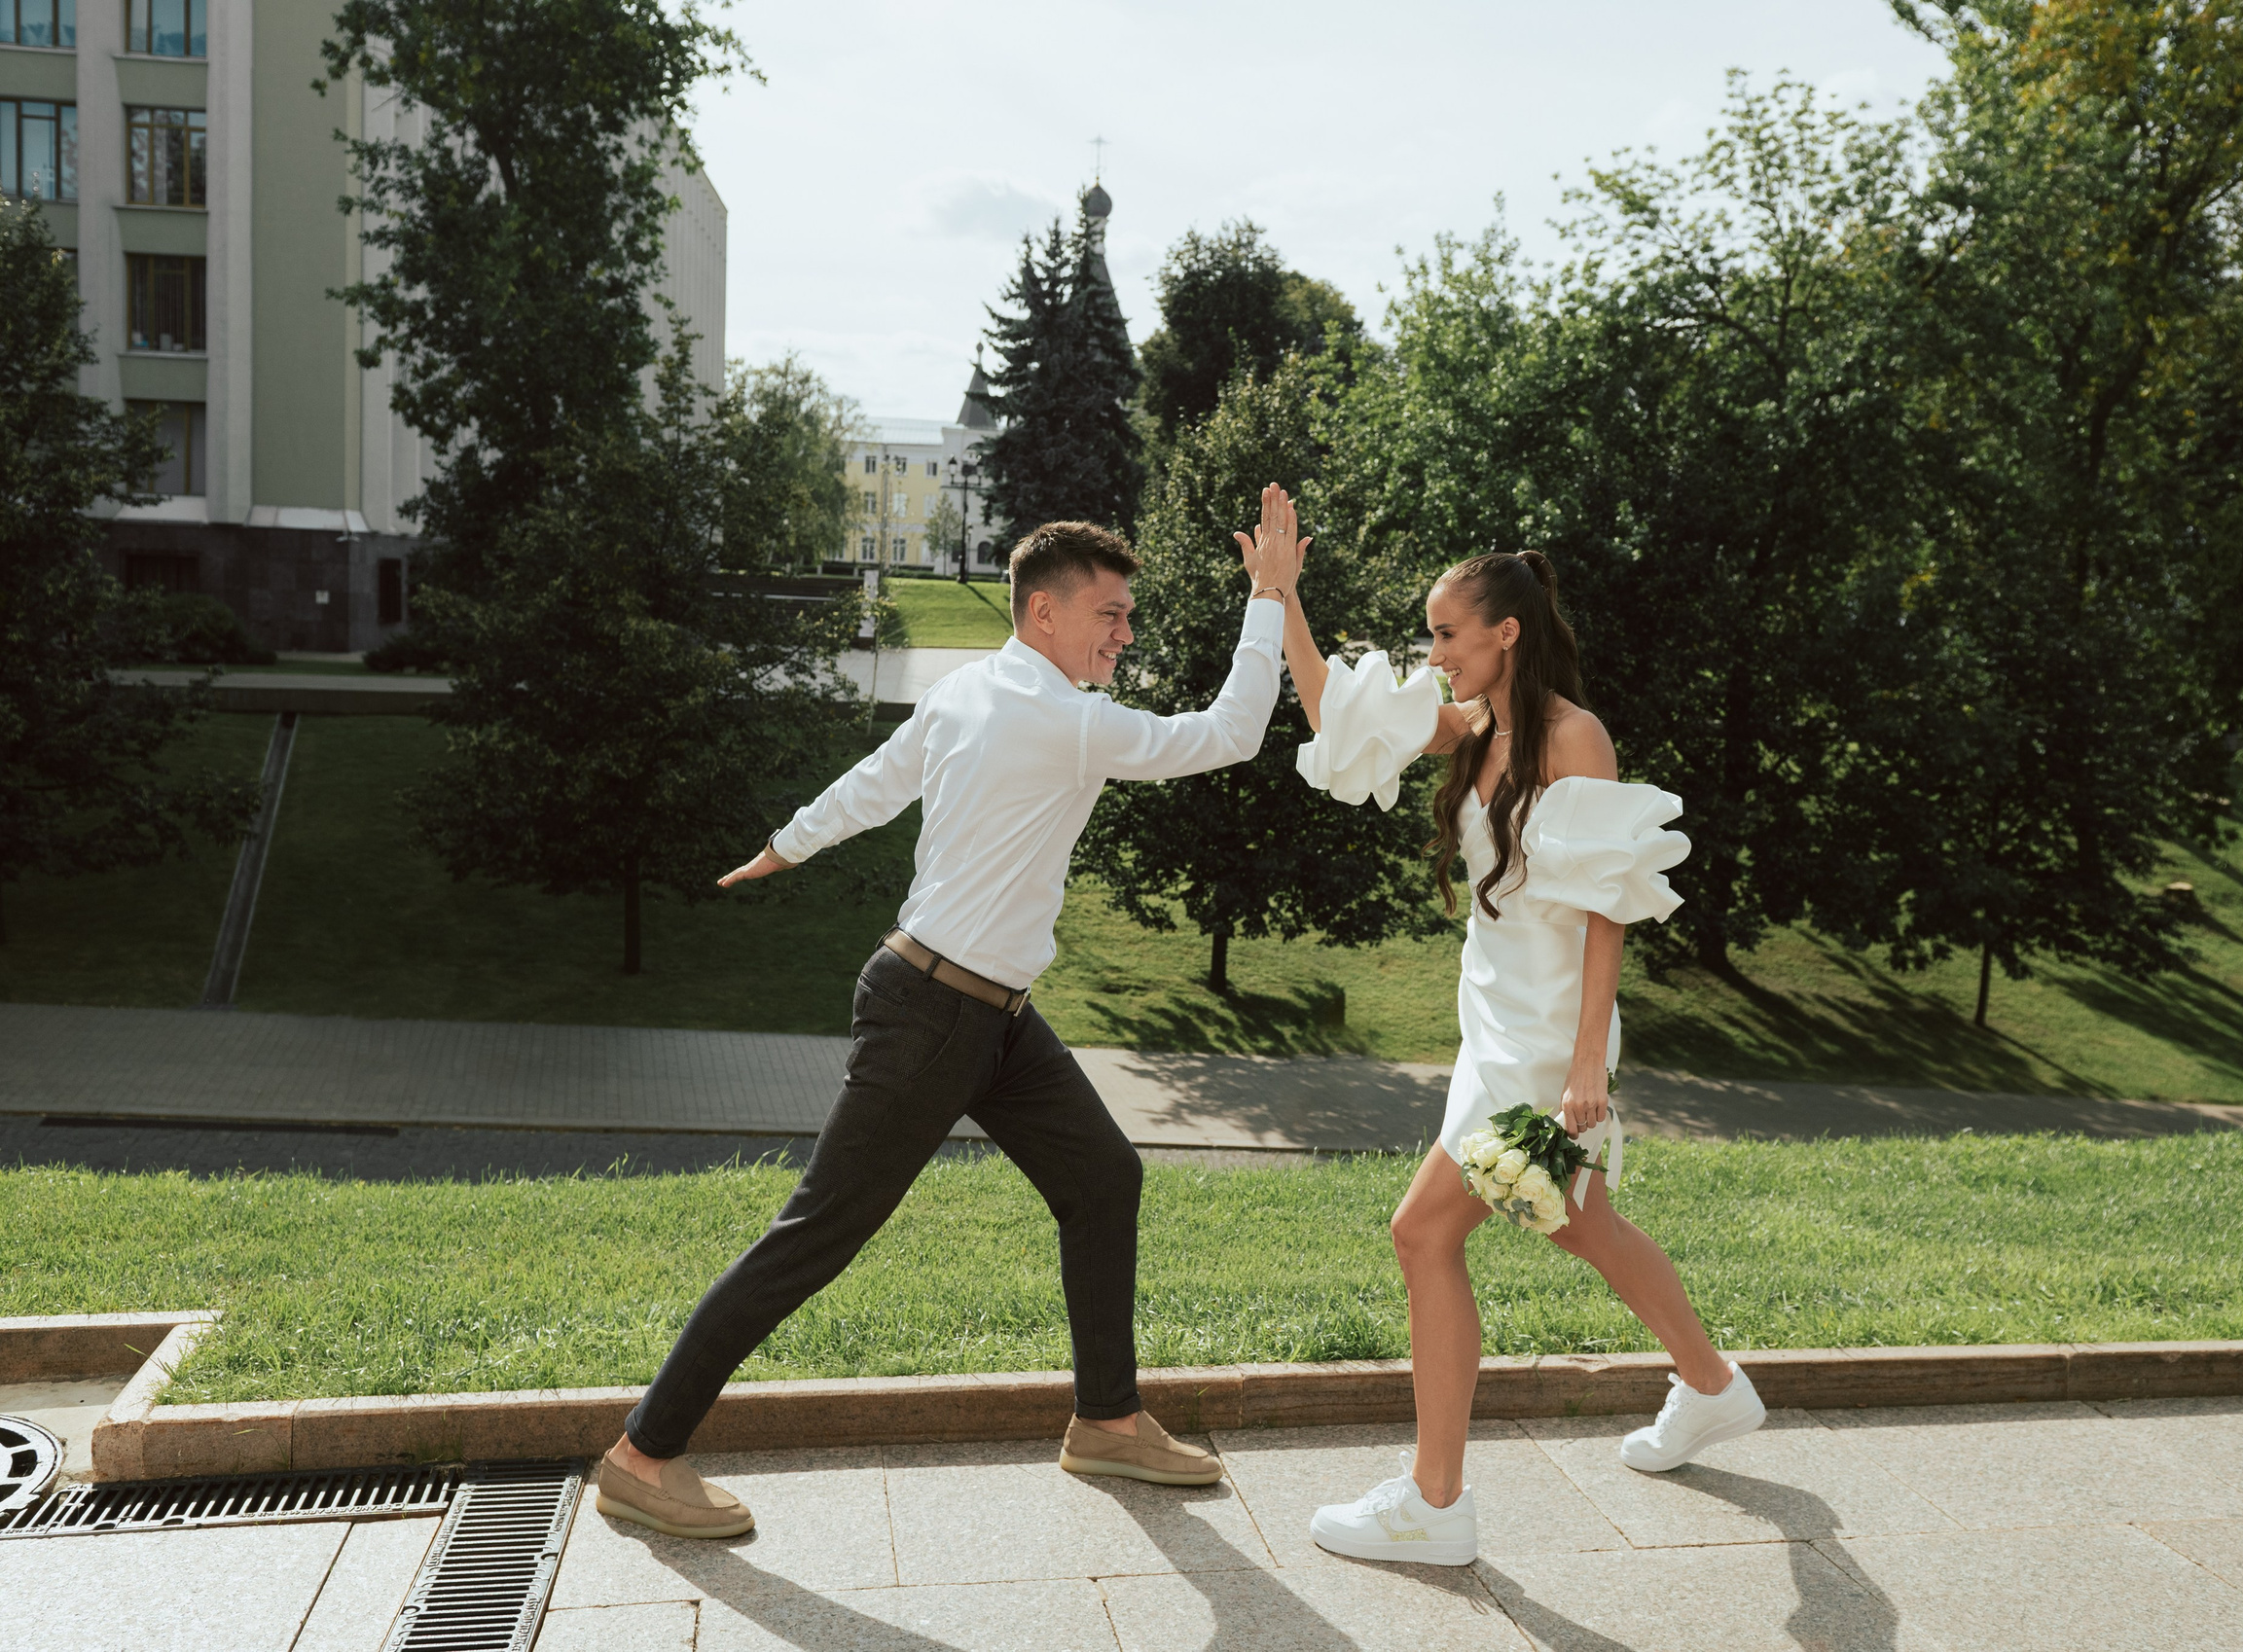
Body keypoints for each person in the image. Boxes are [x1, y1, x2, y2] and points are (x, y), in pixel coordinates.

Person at [593, 491, 1307, 1540]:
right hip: (936, 1014)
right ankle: (643, 1455)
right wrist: (1268, 596)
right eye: (1109, 614)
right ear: (1042, 615)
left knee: (1104, 1179)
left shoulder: (974, 688)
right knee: (816, 1236)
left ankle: (1107, 1419)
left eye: (1125, 615)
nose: (1124, 634)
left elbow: (876, 783)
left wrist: (787, 842)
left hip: (992, 1015)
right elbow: (1233, 734)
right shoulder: (1058, 715)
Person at [1274, 547, 1764, 1566]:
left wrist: (1587, 1063)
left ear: (1506, 632)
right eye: (1430, 635)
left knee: (1421, 1236)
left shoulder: (1573, 737)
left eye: (1447, 634)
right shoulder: (1471, 723)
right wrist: (1281, 599)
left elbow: (1604, 910)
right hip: (1494, 1023)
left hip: (1541, 1046)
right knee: (1579, 1224)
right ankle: (1712, 1387)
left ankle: (1434, 1503)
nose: (1433, 653)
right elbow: (1340, 718)